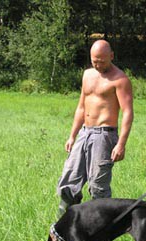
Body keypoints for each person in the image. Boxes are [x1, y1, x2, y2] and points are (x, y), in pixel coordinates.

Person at [56, 39, 134, 217]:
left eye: (102, 61)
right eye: (94, 60)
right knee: (69, 181)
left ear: (111, 56)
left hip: (104, 136)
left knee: (98, 187)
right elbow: (81, 107)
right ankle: (65, 226)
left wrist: (121, 144)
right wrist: (72, 136)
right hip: (85, 132)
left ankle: (100, 229)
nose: (98, 64)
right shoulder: (87, 75)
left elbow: (128, 112)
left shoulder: (120, 80)